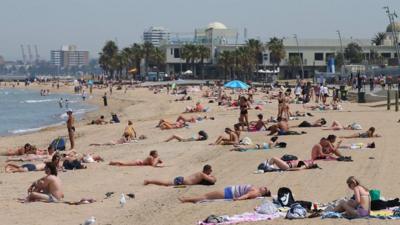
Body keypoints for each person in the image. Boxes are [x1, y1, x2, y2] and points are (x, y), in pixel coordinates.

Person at [178, 184, 271, 203]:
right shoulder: (256, 189)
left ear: (263, 193)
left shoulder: (255, 192)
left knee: (206, 196)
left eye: (265, 189)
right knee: (206, 195)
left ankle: (186, 199)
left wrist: (238, 199)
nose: (264, 186)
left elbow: (246, 196)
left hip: (228, 193)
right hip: (228, 191)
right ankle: (188, 198)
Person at [144, 165, 216, 186]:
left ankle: (149, 181)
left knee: (165, 183)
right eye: (210, 170)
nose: (211, 171)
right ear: (207, 170)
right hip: (181, 181)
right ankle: (149, 181)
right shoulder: (202, 174)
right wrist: (213, 177)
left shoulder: (200, 173)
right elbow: (212, 181)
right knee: (164, 183)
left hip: (181, 180)